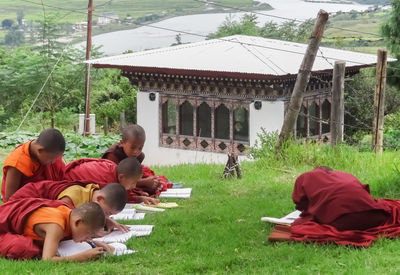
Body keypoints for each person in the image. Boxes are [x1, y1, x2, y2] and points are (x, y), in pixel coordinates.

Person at [0, 198, 110, 261]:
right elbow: (48, 260)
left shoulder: (69, 214)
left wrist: (94, 243)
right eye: (88, 233)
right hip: (3, 229)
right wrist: (83, 256)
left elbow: (72, 234)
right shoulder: (55, 226)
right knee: (25, 248)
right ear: (78, 222)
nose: (88, 238)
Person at [10, 180, 129, 234]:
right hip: (23, 204)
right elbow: (62, 219)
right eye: (107, 213)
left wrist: (108, 221)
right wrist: (92, 232)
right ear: (100, 199)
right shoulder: (73, 196)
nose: (106, 216)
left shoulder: (93, 194)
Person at [292, 166, 391, 231]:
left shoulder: (306, 177)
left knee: (299, 224)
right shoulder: (346, 175)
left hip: (344, 222)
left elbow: (299, 203)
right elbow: (365, 193)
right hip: (376, 217)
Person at [102, 124, 171, 194]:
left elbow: (134, 176)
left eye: (140, 148)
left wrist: (150, 182)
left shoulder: (140, 156)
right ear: (122, 143)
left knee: (152, 186)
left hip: (128, 181)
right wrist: (144, 182)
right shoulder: (113, 155)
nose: (136, 152)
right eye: (132, 147)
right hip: (110, 181)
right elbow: (115, 180)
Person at [1, 128, 65, 201]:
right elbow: (10, 197)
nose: (53, 162)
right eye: (51, 159)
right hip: (24, 203)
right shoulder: (18, 162)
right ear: (40, 150)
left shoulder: (47, 154)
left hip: (46, 197)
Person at [64, 157, 159, 204]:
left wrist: (139, 198)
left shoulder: (113, 167)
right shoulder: (108, 181)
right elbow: (115, 196)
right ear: (121, 177)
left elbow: (124, 191)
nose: (134, 186)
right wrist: (137, 199)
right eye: (133, 183)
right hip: (67, 181)